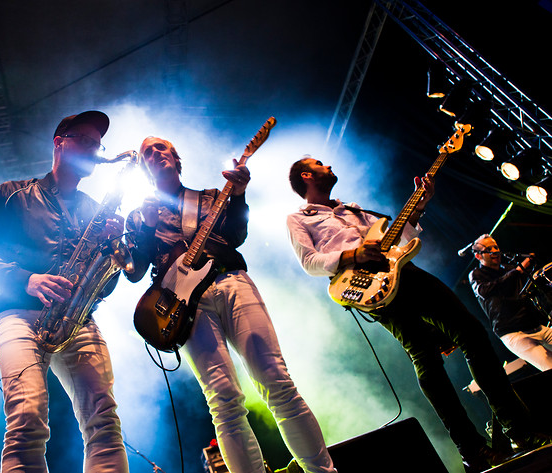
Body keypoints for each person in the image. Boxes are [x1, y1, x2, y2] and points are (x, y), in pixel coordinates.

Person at [285, 156, 550, 473]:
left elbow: (399, 241)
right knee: (424, 356)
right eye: (320, 164)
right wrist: (353, 254)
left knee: (472, 333)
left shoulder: (354, 209)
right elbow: (310, 262)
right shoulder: (299, 218)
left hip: (404, 273)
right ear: (307, 175)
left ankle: (518, 430)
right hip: (369, 288)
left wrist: (420, 204)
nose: (328, 166)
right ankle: (473, 450)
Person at [124, 137, 336, 473]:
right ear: (143, 168)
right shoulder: (139, 216)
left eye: (162, 148)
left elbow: (236, 235)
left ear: (177, 159)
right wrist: (148, 228)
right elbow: (134, 272)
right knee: (223, 401)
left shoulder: (209, 197)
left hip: (230, 280)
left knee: (276, 381)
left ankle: (322, 471)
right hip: (184, 306)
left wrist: (238, 195)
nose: (155, 153)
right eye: (148, 152)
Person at [0, 111, 129, 473]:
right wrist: (28, 279)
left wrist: (111, 245)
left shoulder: (93, 209)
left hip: (78, 318)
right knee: (27, 416)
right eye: (85, 141)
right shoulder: (10, 194)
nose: (96, 151)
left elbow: (106, 282)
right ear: (60, 142)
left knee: (104, 422)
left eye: (98, 145)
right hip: (17, 313)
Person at [468, 233, 552, 371]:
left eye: (496, 247)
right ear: (478, 256)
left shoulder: (508, 269)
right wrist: (517, 272)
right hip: (515, 335)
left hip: (536, 326)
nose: (495, 251)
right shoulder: (476, 274)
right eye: (489, 249)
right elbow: (484, 291)